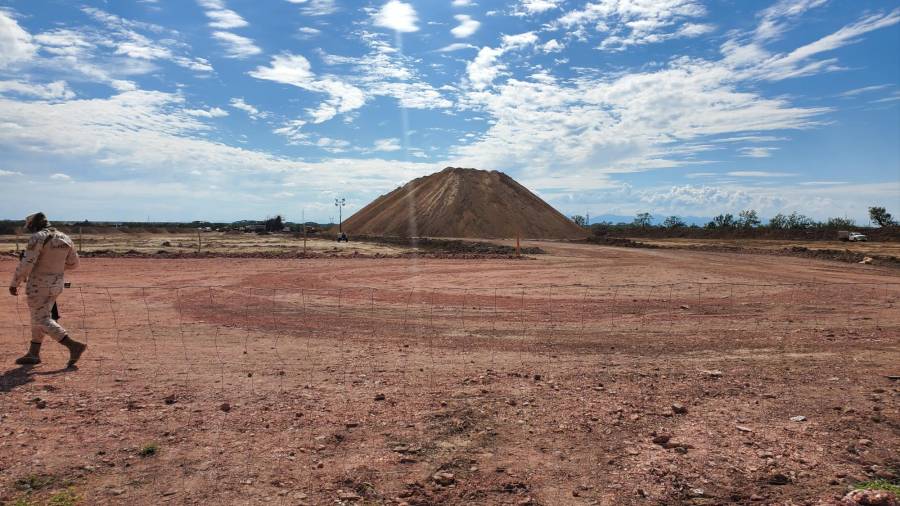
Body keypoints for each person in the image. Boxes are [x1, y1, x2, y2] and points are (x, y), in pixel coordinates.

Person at [8, 212, 87, 367]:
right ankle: (33, 353)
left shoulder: (38, 237)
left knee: (40, 319)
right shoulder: (65, 237)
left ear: (34, 225)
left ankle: (73, 345)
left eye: (30, 227)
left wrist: (15, 283)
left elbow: (27, 263)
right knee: (39, 316)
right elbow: (74, 263)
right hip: (57, 283)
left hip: (39, 284)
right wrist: (55, 268)